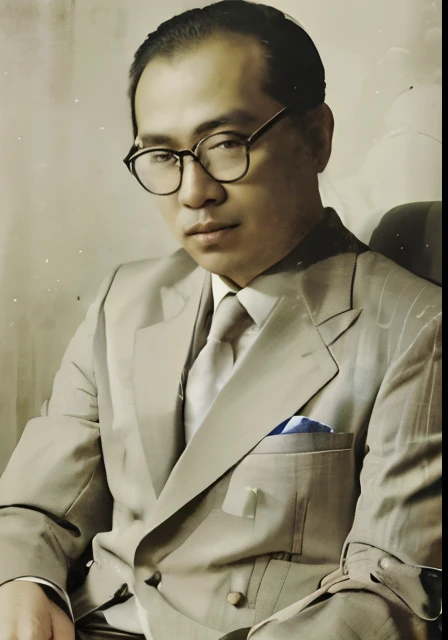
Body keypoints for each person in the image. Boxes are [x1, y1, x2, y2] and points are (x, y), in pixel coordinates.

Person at [0, 1, 442, 639]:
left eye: (227, 144)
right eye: (161, 155)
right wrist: (23, 582)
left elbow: (390, 593)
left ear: (317, 136)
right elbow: (35, 506)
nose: (192, 191)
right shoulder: (121, 300)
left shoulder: (415, 328)